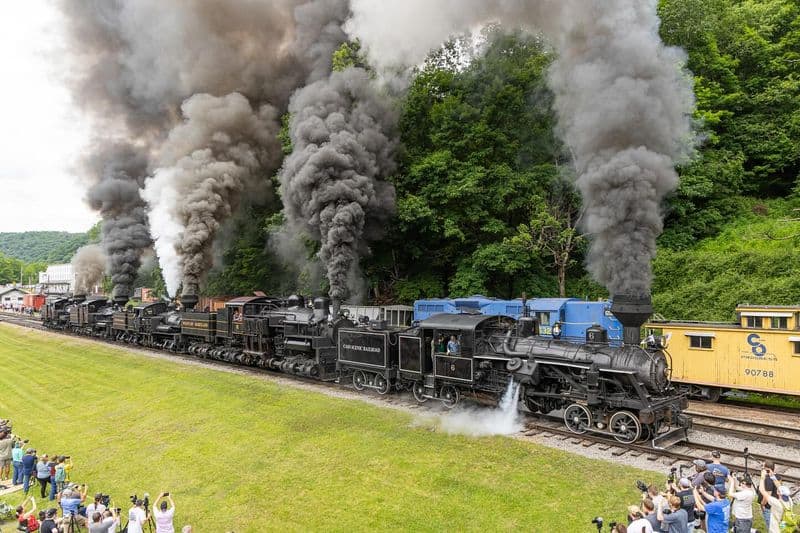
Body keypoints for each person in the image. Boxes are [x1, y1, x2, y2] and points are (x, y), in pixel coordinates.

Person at [758, 468, 788, 533]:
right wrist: (772, 476)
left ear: (779, 493)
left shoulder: (776, 503)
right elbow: (779, 486)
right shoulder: (789, 501)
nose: (778, 488)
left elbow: (762, 490)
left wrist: (762, 477)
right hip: (782, 529)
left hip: (774, 530)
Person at [758, 461, 781, 531]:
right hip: (775, 506)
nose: (762, 468)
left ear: (767, 469)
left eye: (763, 467)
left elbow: (767, 495)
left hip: (768, 508)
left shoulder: (768, 479)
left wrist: (762, 504)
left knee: (771, 527)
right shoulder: (777, 476)